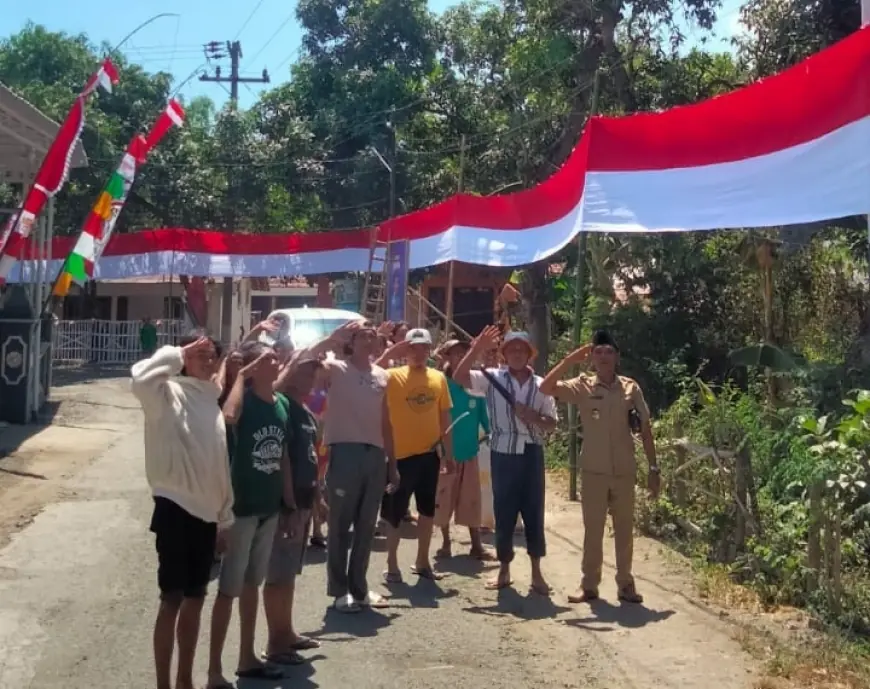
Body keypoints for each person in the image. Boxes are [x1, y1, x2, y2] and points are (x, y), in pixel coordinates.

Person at [130, 334, 233, 689]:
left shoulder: (210, 399)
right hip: (175, 509)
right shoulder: (166, 394)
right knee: (171, 599)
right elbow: (140, 378)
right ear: (184, 359)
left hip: (207, 516)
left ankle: (185, 680)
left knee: (196, 599)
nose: (206, 361)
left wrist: (225, 517)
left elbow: (219, 463)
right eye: (198, 354)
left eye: (211, 355)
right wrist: (175, 353)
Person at [539, 330, 660, 604]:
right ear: (592, 358)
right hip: (593, 470)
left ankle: (626, 584)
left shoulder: (631, 388)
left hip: (624, 470)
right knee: (592, 530)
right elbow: (545, 388)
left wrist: (654, 469)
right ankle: (589, 585)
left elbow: (645, 428)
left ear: (617, 357)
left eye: (609, 352)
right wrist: (570, 360)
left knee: (625, 530)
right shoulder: (582, 386)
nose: (603, 356)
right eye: (598, 352)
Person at [297, 321, 397, 612]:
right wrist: (330, 340)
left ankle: (360, 588)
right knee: (340, 526)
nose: (369, 340)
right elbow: (304, 363)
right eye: (362, 335)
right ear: (351, 343)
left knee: (366, 527)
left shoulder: (382, 375)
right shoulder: (336, 369)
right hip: (344, 452)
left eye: (373, 336)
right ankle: (339, 590)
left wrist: (394, 465)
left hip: (375, 455)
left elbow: (387, 422)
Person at [453, 327, 558, 595]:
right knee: (504, 512)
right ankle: (504, 570)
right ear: (504, 354)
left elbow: (552, 424)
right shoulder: (491, 379)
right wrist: (476, 348)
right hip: (502, 452)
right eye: (511, 349)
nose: (517, 354)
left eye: (522, 349)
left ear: (530, 354)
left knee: (533, 512)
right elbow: (459, 377)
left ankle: (536, 573)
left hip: (532, 452)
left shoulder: (541, 385)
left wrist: (532, 416)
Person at [206, 343, 287, 687]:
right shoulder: (244, 400)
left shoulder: (280, 403)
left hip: (268, 508)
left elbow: (282, 457)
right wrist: (240, 375)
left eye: (274, 357)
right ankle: (213, 670)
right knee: (228, 590)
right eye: (267, 358)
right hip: (240, 511)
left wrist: (290, 501)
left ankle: (247, 656)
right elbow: (229, 417)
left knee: (253, 584)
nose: (275, 361)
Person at [262, 356, 327, 665]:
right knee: (277, 576)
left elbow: (311, 461)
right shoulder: (283, 406)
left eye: (314, 372)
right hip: (285, 504)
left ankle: (287, 632)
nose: (311, 377)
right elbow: (285, 458)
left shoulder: (307, 414)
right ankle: (275, 643)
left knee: (289, 574)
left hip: (303, 502)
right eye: (305, 370)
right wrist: (287, 503)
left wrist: (317, 501)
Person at [381, 328, 454, 583]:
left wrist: (448, 455)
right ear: (406, 349)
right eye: (413, 347)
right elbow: (370, 372)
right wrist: (392, 351)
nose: (419, 352)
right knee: (394, 512)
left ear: (429, 350)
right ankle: (392, 564)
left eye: (424, 348)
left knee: (427, 510)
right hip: (398, 458)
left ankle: (422, 561)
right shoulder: (392, 376)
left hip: (429, 455)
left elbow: (445, 417)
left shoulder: (438, 378)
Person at [433, 340, 493, 560]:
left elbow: (483, 415)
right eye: (455, 353)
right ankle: (446, 543)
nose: (459, 356)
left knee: (471, 498)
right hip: (445, 453)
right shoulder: (440, 383)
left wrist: (489, 431)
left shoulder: (474, 383)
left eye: (463, 353)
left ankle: (476, 545)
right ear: (446, 357)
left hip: (469, 451)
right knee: (444, 498)